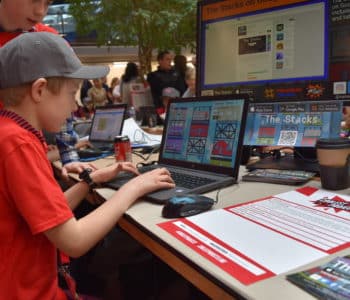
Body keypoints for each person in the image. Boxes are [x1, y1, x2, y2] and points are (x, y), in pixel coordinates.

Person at [0, 31, 175, 300]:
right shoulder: (18, 144)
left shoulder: (11, 133)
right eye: (71, 94)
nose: (74, 106)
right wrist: (133, 188)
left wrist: (89, 182)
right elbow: (74, 240)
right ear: (39, 90)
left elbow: (47, 215)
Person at [0, 0, 95, 177]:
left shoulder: (47, 38)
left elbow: (61, 99)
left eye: (48, 3)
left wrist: (69, 156)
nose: (40, 11)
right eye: (34, 0)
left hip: (27, 153)